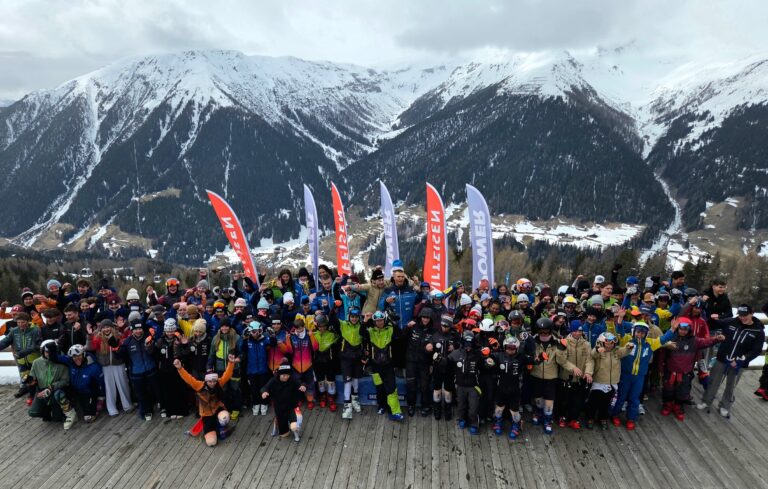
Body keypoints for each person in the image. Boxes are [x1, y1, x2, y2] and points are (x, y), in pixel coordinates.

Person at [697, 304, 765, 418]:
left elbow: (756, 350)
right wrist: (712, 318)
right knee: (713, 381)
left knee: (731, 386)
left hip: (738, 364)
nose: (743, 318)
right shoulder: (732, 321)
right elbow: (713, 324)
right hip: (722, 359)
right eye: (741, 315)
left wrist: (741, 360)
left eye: (745, 315)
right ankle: (706, 401)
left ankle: (724, 406)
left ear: (752, 313)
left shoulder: (758, 331)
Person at [611, 321, 674, 430]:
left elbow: (662, 340)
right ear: (633, 332)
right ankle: (614, 415)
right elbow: (620, 332)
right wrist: (620, 321)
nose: (640, 335)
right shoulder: (627, 340)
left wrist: (672, 329)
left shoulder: (650, 343)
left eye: (642, 333)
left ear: (646, 334)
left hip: (639, 377)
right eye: (638, 332)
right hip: (625, 375)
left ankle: (631, 419)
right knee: (621, 397)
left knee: (634, 398)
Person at [663, 318, 724, 420]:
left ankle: (678, 407)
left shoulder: (694, 340)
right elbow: (660, 344)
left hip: (685, 372)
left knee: (682, 391)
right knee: (668, 390)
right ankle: (668, 405)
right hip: (670, 370)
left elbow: (706, 342)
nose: (683, 331)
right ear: (677, 328)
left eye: (685, 329)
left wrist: (716, 339)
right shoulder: (670, 338)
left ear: (689, 330)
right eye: (681, 329)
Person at [174, 355, 237, 447]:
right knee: (211, 442)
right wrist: (180, 368)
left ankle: (220, 426)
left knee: (225, 417)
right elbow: (188, 379)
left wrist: (231, 363)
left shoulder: (219, 382)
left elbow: (227, 375)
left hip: (217, 408)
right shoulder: (199, 385)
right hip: (206, 414)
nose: (212, 383)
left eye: (214, 381)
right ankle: (212, 428)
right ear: (206, 381)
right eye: (210, 381)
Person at [529, 318, 577, 434]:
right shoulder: (532, 341)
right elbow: (527, 356)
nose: (544, 334)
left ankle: (547, 420)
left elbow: (562, 361)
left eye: (547, 332)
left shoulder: (557, 342)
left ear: (551, 331)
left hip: (551, 377)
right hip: (536, 375)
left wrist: (573, 368)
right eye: (541, 332)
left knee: (549, 401)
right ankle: (538, 413)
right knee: (538, 399)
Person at [489, 336, 535, 439]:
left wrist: (540, 357)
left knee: (515, 411)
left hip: (515, 389)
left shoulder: (521, 357)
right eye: (508, 347)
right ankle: (498, 423)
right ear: (505, 347)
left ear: (517, 348)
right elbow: (488, 358)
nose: (510, 349)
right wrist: (490, 351)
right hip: (501, 387)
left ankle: (516, 425)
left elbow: (533, 361)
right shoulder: (498, 355)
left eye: (513, 348)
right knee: (499, 409)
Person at [584, 333, 632, 429]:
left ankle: (603, 418)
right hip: (599, 382)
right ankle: (590, 418)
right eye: (607, 343)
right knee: (593, 402)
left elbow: (624, 351)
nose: (609, 345)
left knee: (606, 403)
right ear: (602, 342)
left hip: (612, 383)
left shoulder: (616, 351)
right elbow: (592, 356)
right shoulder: (598, 351)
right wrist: (597, 350)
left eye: (612, 343)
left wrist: (629, 347)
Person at [362, 311, 404, 421]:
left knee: (391, 389)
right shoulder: (371, 331)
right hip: (375, 366)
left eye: (381, 320)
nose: (379, 322)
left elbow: (400, 334)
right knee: (379, 388)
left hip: (388, 365)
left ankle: (394, 412)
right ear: (374, 322)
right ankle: (381, 406)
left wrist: (390, 320)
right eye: (377, 321)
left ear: (384, 320)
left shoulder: (389, 329)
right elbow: (361, 332)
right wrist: (365, 321)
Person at [86, 319, 132, 416]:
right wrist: (89, 336)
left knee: (123, 384)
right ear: (101, 329)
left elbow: (123, 346)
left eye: (108, 327)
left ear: (112, 327)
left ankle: (127, 405)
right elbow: (90, 348)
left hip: (119, 363)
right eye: (104, 327)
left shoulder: (119, 335)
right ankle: (112, 409)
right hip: (106, 365)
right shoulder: (98, 338)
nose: (106, 329)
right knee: (109, 387)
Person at [28, 340, 76, 430]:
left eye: (51, 352)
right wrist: (29, 381)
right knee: (33, 412)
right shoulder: (36, 362)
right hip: (42, 391)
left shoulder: (61, 363)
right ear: (42, 351)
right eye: (46, 352)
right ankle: (46, 410)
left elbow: (65, 380)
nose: (48, 354)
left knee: (57, 418)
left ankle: (60, 411)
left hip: (55, 391)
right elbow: (32, 377)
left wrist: (52, 387)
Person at [118, 320, 160, 421]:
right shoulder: (127, 342)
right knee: (141, 393)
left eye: (140, 328)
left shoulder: (148, 337)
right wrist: (116, 348)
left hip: (151, 369)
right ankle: (146, 411)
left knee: (157, 390)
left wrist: (150, 346)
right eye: (136, 329)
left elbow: (155, 352)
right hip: (137, 372)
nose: (138, 331)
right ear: (132, 330)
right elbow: (121, 356)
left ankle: (162, 407)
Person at [558, 322, 594, 430]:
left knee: (578, 401)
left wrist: (588, 372)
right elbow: (561, 359)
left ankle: (574, 419)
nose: (578, 333)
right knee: (564, 400)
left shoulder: (586, 344)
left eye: (580, 331)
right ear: (571, 331)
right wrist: (572, 368)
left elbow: (590, 360)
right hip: (566, 378)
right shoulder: (564, 342)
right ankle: (562, 417)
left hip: (580, 379)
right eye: (575, 331)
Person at [331, 306, 365, 419]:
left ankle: (355, 400)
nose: (354, 319)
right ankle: (347, 405)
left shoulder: (362, 326)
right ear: (349, 316)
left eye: (356, 317)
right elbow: (332, 319)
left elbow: (367, 337)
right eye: (352, 316)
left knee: (355, 379)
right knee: (347, 380)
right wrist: (333, 308)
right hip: (346, 357)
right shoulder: (343, 324)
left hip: (357, 358)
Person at [0, 311, 41, 404]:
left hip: (34, 359)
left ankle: (38, 396)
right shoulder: (14, 331)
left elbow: (35, 346)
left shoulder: (35, 330)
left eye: (23, 322)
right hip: (22, 361)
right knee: (26, 378)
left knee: (37, 378)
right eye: (18, 322)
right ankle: (30, 394)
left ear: (28, 321)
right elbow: (5, 341)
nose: (20, 324)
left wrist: (22, 353)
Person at [261, 362, 308, 442]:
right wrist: (264, 392)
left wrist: (303, 386)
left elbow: (301, 383)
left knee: (295, 426)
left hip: (292, 407)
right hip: (280, 409)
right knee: (284, 435)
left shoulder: (292, 379)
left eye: (287, 375)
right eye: (283, 375)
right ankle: (278, 423)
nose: (286, 377)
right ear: (279, 374)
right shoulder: (274, 380)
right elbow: (264, 388)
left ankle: (293, 426)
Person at [449, 331, 483, 434]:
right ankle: (462, 419)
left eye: (470, 344)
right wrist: (439, 359)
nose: (468, 346)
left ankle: (474, 423)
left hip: (474, 386)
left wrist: (489, 361)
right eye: (466, 344)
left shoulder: (478, 354)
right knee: (461, 405)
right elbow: (447, 362)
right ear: (462, 342)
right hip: (460, 385)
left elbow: (486, 366)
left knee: (473, 408)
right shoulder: (456, 353)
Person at [280, 317, 319, 408]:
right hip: (296, 365)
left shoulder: (309, 335)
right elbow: (289, 351)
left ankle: (310, 400)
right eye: (297, 328)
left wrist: (312, 336)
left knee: (310, 384)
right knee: (297, 383)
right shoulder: (292, 336)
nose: (299, 330)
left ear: (303, 327)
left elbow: (315, 348)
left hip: (308, 365)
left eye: (301, 328)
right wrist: (287, 339)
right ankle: (299, 399)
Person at [59, 344, 104, 422]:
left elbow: (102, 383)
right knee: (60, 392)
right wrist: (51, 347)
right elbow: (57, 358)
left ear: (83, 354)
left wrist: (101, 396)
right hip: (76, 390)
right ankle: (70, 411)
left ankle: (96, 403)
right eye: (74, 357)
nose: (76, 358)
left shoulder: (94, 367)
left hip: (89, 392)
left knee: (88, 418)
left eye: (78, 355)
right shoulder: (70, 362)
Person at [208, 319, 243, 420]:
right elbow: (211, 355)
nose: (224, 328)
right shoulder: (216, 338)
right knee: (224, 390)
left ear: (230, 327)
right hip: (220, 369)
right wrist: (209, 366)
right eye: (222, 326)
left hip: (234, 368)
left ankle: (236, 409)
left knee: (235, 389)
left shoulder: (236, 338)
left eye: (226, 326)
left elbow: (242, 353)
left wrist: (237, 359)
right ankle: (227, 408)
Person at [427, 315, 460, 420]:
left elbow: (461, 348)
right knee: (436, 389)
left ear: (450, 326)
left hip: (450, 368)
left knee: (448, 390)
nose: (444, 328)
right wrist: (428, 347)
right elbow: (429, 348)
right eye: (443, 325)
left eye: (447, 326)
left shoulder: (455, 335)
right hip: (437, 368)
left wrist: (455, 347)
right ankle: (437, 409)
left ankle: (448, 409)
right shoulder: (435, 334)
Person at [154, 318, 188, 419]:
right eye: (168, 331)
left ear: (175, 330)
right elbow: (155, 355)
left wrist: (184, 345)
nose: (170, 333)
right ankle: (170, 411)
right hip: (165, 369)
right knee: (168, 391)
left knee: (179, 389)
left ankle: (181, 410)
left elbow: (186, 354)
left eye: (172, 330)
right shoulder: (160, 341)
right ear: (165, 330)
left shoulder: (179, 339)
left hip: (178, 368)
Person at [404, 307, 435, 416]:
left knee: (424, 386)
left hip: (425, 363)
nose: (425, 319)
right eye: (424, 317)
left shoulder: (433, 331)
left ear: (431, 319)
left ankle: (425, 406)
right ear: (420, 317)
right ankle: (411, 405)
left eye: (428, 318)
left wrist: (432, 364)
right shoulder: (413, 326)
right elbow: (402, 338)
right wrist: (407, 328)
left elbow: (435, 350)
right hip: (411, 361)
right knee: (410, 385)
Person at [241, 321, 271, 416]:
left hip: (263, 370)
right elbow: (242, 348)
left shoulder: (264, 339)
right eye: (253, 332)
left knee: (263, 388)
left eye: (257, 331)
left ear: (261, 331)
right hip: (251, 370)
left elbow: (273, 343)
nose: (255, 334)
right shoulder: (248, 341)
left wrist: (272, 335)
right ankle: (255, 404)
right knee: (254, 389)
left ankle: (264, 404)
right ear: (249, 331)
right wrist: (244, 339)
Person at [313, 313, 339, 412]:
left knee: (331, 380)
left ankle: (331, 398)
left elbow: (339, 337)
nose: (322, 328)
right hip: (318, 361)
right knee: (320, 381)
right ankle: (322, 397)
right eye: (320, 326)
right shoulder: (314, 335)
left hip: (329, 361)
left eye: (324, 326)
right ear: (317, 326)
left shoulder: (332, 334)